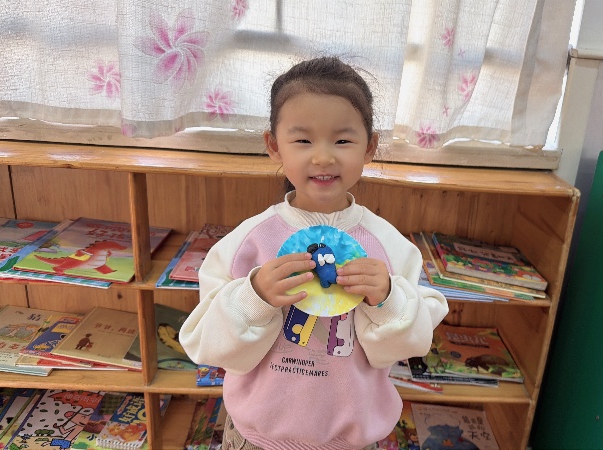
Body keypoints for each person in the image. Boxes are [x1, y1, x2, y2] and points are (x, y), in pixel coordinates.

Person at [179, 56, 449, 450]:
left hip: (352, 441)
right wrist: (253, 297)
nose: (323, 157)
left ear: (370, 147)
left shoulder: (388, 245)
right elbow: (207, 345)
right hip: (258, 438)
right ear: (274, 146)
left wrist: (389, 299)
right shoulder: (249, 241)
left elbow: (410, 344)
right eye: (303, 141)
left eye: (342, 140)